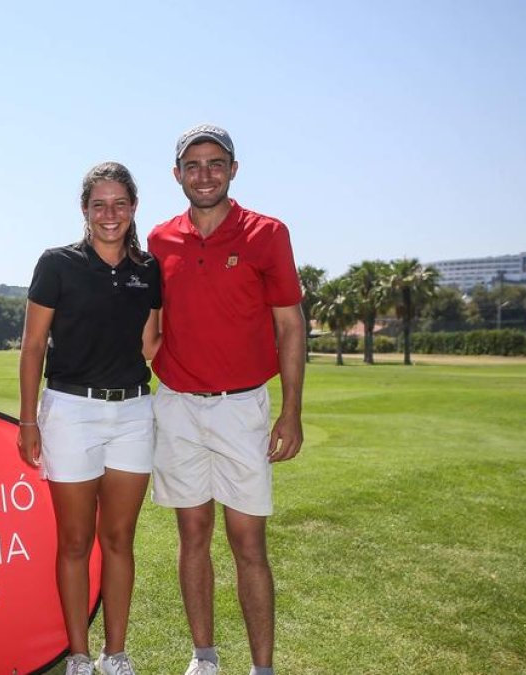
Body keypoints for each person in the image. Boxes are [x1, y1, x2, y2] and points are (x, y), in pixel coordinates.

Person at [147, 124, 305, 675]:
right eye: (193, 166)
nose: (204, 175)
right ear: (177, 176)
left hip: (243, 407)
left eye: (215, 164)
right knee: (192, 532)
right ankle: (205, 657)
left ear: (233, 169)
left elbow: (290, 325)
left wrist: (291, 410)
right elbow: (154, 324)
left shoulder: (267, 233)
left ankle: (262, 668)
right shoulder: (160, 240)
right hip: (179, 405)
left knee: (248, 541)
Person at [18, 161, 161, 675]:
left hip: (132, 413)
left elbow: (151, 344)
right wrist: (28, 419)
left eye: (119, 203)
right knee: (75, 541)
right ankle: (79, 655)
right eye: (99, 204)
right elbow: (33, 346)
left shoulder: (148, 269)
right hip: (70, 412)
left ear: (133, 208)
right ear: (84, 210)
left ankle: (114, 654)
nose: (109, 214)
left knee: (120, 539)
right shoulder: (56, 264)